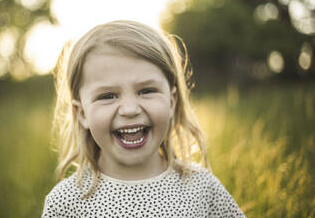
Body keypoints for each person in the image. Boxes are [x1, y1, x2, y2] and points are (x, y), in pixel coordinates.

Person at [42, 20, 245, 217]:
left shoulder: (202, 188)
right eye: (107, 96)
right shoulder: (66, 202)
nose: (130, 109)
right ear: (82, 113)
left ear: (172, 101)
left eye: (146, 91)